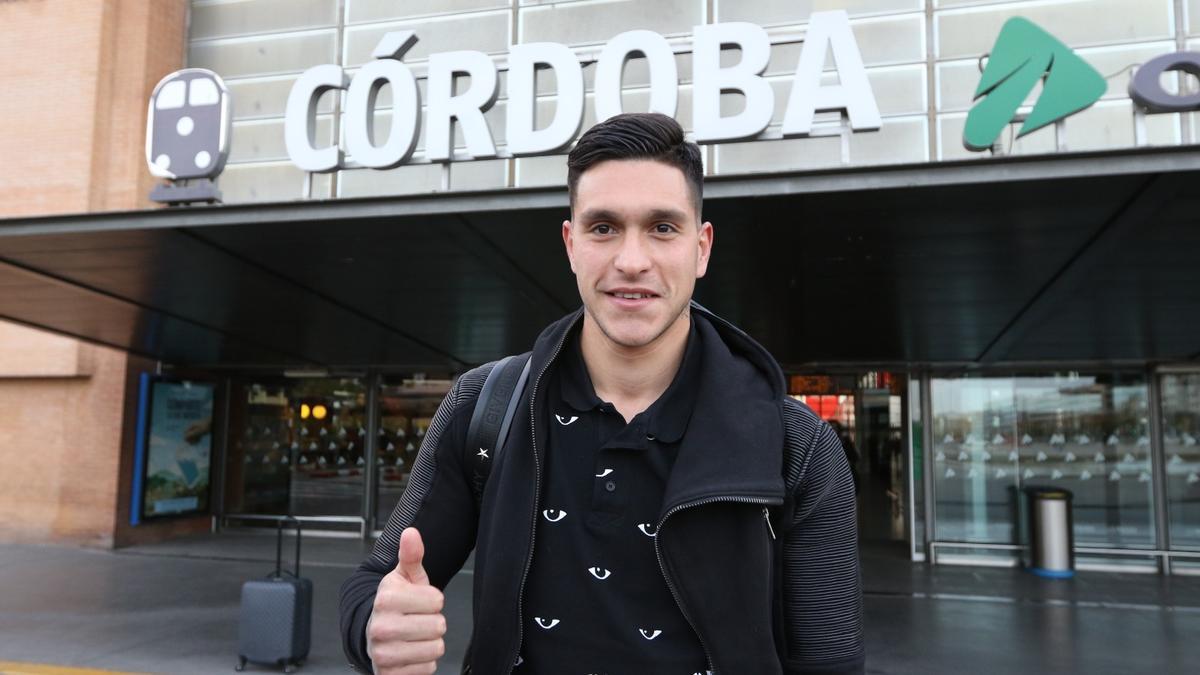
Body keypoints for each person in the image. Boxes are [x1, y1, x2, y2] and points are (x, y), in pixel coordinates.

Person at [338, 113, 864, 674]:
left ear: (702, 248)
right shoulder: (484, 406)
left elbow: (830, 664)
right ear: (571, 245)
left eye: (663, 227)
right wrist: (376, 627)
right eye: (604, 227)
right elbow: (375, 582)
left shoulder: (797, 444)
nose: (631, 262)